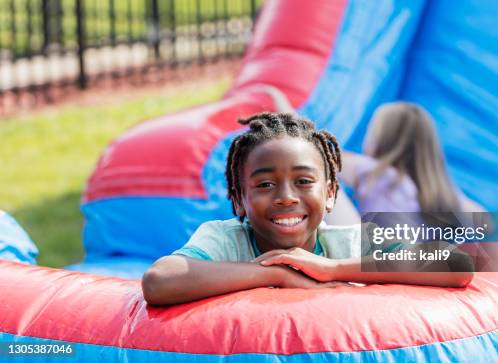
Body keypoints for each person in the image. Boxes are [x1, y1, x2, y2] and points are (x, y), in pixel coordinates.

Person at [142, 112, 474, 305]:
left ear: (330, 194)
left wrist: (332, 268)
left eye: (303, 181)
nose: (286, 197)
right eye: (265, 185)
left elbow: (457, 264)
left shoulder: (350, 242)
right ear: (239, 198)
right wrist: (277, 274)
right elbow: (159, 280)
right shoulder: (226, 240)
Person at [326, 102, 487, 226]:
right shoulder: (438, 191)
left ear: (382, 139)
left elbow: (324, 154)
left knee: (321, 177)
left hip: (374, 260)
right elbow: (483, 220)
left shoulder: (380, 173)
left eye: (371, 131)